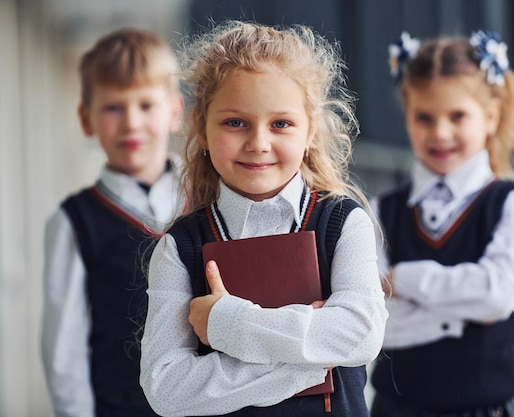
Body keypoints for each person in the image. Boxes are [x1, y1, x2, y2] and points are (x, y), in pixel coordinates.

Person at [139, 20, 388, 417]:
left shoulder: (344, 223)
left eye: (281, 124)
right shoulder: (177, 248)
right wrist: (306, 363)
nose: (258, 143)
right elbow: (166, 387)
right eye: (235, 122)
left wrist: (229, 323)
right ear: (201, 128)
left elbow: (361, 334)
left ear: (310, 130)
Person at [369, 30, 514, 417]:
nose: (440, 132)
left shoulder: (512, 203)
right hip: (396, 409)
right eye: (424, 118)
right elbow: (374, 322)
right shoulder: (381, 211)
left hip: (487, 409)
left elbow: (497, 294)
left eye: (457, 116)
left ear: (491, 117)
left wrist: (403, 280)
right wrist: (468, 308)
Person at [41, 28, 184, 417]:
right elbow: (63, 352)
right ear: (86, 119)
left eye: (146, 105)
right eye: (113, 108)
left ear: (175, 111)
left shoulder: (205, 198)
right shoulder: (73, 222)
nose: (130, 122)